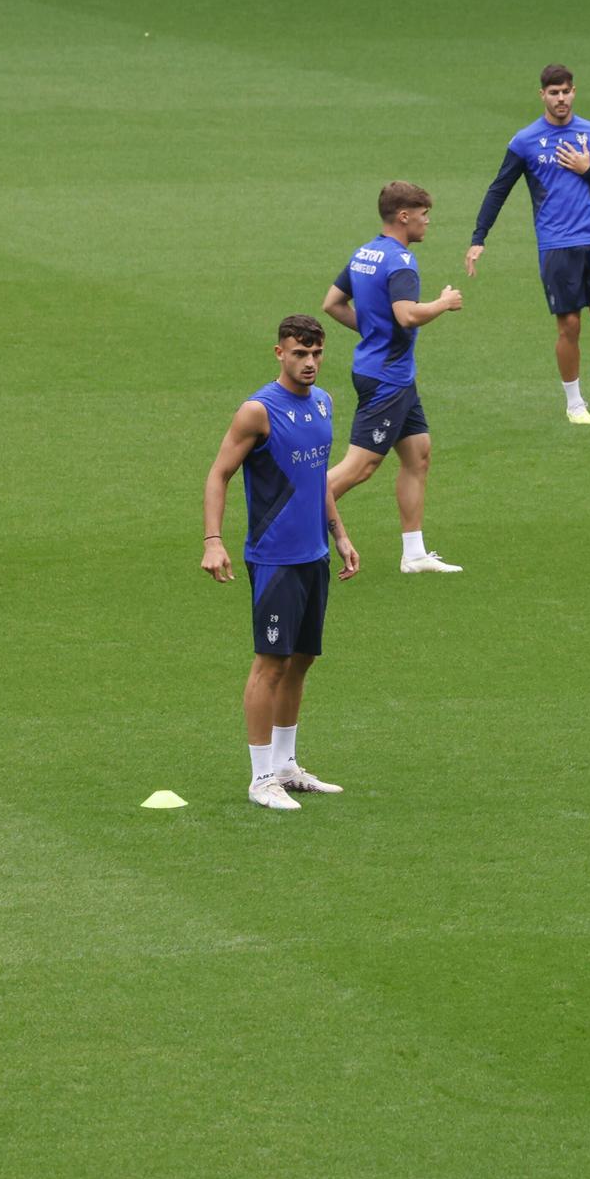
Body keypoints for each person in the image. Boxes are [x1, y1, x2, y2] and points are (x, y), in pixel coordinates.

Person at [202, 315, 361, 811]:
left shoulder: (324, 403)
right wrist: (213, 540)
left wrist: (339, 534)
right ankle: (260, 778)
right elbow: (218, 474)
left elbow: (317, 482)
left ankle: (287, 765)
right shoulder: (259, 411)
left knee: (302, 660)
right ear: (279, 353)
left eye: (316, 353)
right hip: (275, 559)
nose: (309, 363)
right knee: (270, 664)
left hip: (313, 553)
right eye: (299, 353)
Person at [467, 64, 590, 425]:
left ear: (574, 92)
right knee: (569, 325)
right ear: (542, 95)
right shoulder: (525, 140)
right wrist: (479, 238)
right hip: (557, 245)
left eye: (566, 91)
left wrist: (587, 170)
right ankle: (575, 404)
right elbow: (499, 189)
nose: (561, 99)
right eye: (554, 93)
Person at [322, 181, 465, 575]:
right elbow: (406, 315)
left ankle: (414, 554)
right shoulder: (401, 261)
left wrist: (372, 331)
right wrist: (442, 303)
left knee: (418, 454)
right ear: (404, 216)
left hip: (391, 374)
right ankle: (289, 520)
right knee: (359, 468)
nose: (427, 221)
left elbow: (332, 304)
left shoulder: (365, 253)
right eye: (423, 214)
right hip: (387, 380)